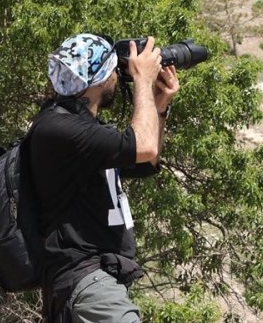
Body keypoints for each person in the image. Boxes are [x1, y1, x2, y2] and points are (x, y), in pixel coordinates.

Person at [31, 34, 179, 323]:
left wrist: (158, 106)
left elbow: (147, 159)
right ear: (97, 80)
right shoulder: (60, 127)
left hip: (92, 279)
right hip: (86, 277)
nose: (116, 77)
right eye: (113, 71)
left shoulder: (80, 129)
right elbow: (145, 144)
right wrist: (142, 81)